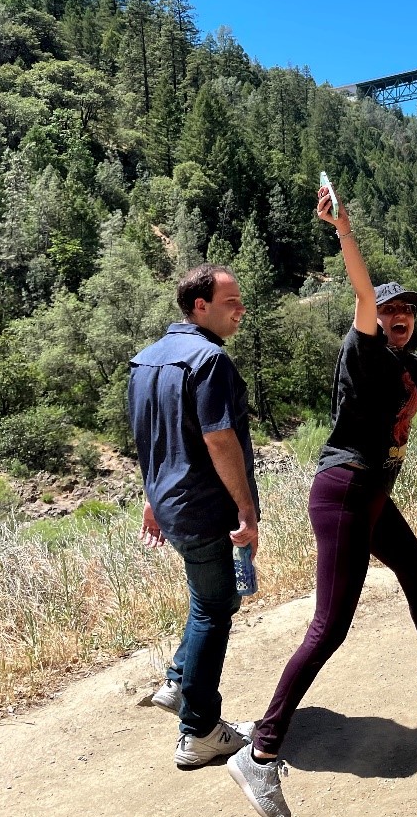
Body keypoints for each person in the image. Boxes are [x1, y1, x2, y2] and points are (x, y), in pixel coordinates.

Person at [227, 187, 417, 817]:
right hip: (345, 491)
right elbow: (362, 292)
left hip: (372, 497)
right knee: (328, 627)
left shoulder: (408, 364)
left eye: (407, 313)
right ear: (374, 316)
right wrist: (344, 229)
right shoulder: (363, 352)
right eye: (391, 310)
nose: (399, 318)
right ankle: (259, 754)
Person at [128, 264, 259, 768]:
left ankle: (179, 683)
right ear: (199, 306)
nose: (240, 310)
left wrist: (151, 497)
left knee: (211, 598)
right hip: (208, 509)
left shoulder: (146, 361)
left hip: (172, 504)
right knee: (215, 605)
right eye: (231, 302)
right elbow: (217, 438)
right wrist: (246, 509)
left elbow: (151, 439)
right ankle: (200, 730)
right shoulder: (209, 362)